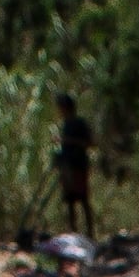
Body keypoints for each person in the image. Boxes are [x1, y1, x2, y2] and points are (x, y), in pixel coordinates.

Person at [56, 95, 95, 230]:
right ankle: (73, 232)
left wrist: (68, 141)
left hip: (78, 166)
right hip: (68, 166)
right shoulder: (66, 124)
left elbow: (89, 143)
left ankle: (90, 232)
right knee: (70, 201)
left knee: (83, 199)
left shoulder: (79, 123)